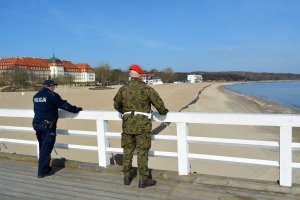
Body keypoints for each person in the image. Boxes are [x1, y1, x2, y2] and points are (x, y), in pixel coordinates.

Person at [113, 64, 169, 188]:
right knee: (142, 152)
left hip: (127, 125)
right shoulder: (146, 88)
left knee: (127, 151)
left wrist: (125, 112)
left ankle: (127, 177)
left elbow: (116, 105)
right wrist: (164, 112)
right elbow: (159, 105)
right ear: (139, 75)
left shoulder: (123, 89)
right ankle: (143, 179)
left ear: (130, 74)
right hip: (142, 126)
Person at [32, 79, 82, 178]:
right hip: (47, 126)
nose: (54, 88)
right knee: (46, 149)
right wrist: (76, 109)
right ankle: (42, 172)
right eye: (54, 86)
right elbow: (64, 105)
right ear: (50, 86)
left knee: (43, 147)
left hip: (37, 125)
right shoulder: (52, 95)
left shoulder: (36, 96)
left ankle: (44, 168)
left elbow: (38, 109)